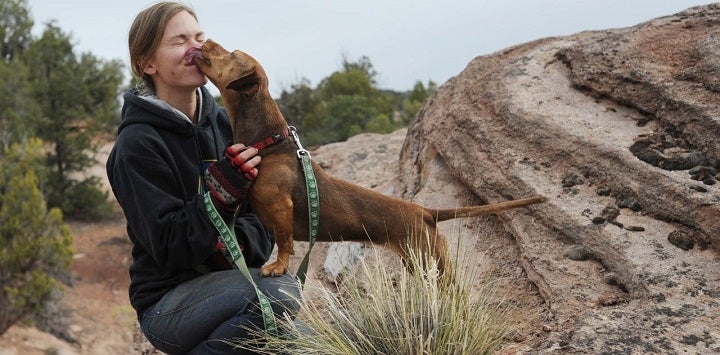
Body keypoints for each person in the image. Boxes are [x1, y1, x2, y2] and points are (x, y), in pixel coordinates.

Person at [106, 2, 301, 354]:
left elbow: (265, 218)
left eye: (199, 36)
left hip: (232, 281)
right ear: (146, 63)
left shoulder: (229, 125)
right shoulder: (136, 145)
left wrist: (236, 243)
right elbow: (169, 246)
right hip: (168, 303)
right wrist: (221, 193)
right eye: (179, 41)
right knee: (278, 295)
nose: (195, 47)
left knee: (290, 338)